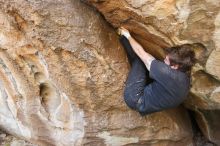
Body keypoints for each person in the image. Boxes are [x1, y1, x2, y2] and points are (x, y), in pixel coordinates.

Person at [118, 27, 195, 115]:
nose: (163, 60)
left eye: (166, 60)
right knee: (150, 65)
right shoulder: (186, 78)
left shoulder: (169, 75)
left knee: (140, 60)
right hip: (148, 106)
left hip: (134, 98)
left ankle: (121, 37)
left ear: (175, 66)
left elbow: (141, 53)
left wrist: (127, 35)